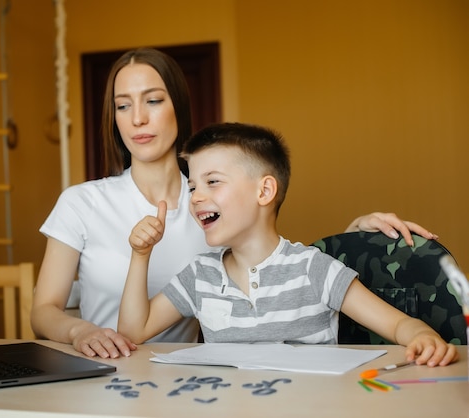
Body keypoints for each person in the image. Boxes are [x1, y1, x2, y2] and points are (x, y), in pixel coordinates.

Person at [31, 47, 439, 359]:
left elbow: (276, 262)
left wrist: (354, 240)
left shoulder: (216, 208)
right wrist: (80, 331)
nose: (137, 118)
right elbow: (46, 310)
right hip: (108, 370)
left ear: (178, 106)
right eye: (122, 105)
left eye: (153, 100)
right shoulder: (84, 202)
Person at [118, 122, 458, 367]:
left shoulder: (313, 268)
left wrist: (422, 337)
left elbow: (398, 324)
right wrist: (140, 255)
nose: (197, 197)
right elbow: (133, 330)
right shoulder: (200, 276)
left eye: (212, 182)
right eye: (192, 187)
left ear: (264, 191)